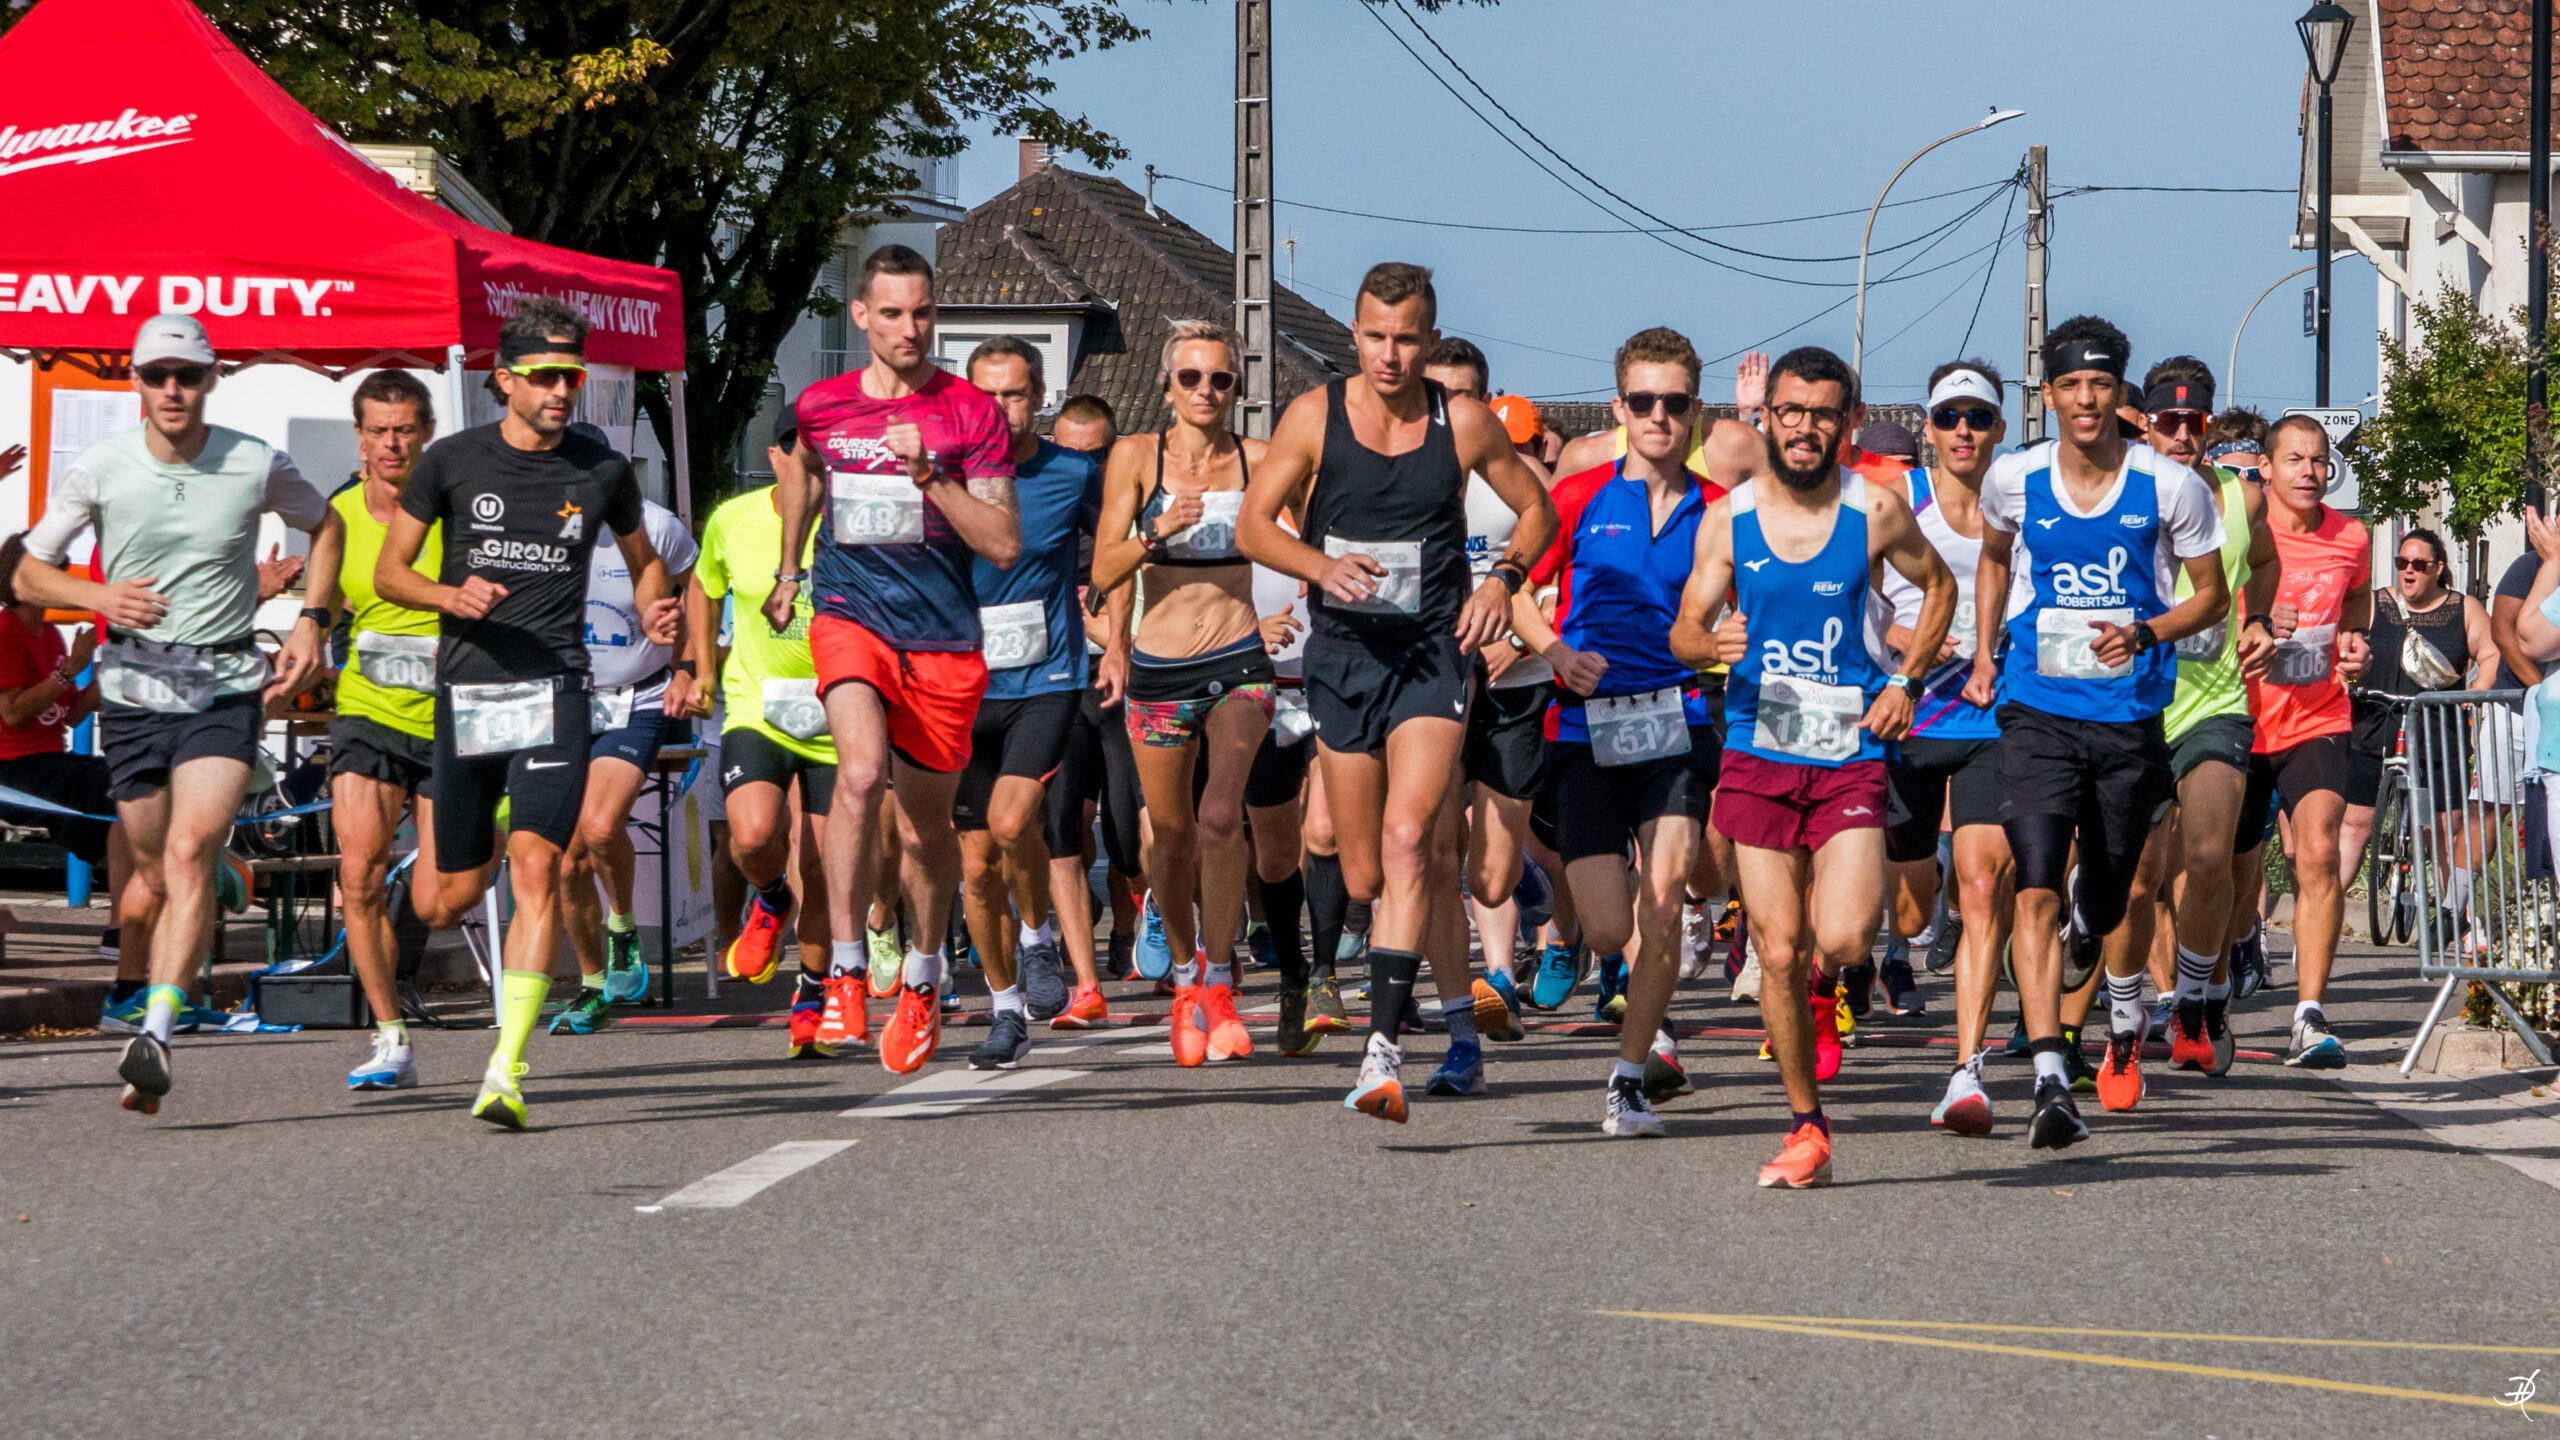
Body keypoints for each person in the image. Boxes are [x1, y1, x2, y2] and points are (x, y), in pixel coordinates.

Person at [1238, 262, 1556, 1122]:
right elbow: (1253, 525)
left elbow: (1538, 510)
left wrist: (1504, 583)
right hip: (1344, 658)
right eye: (1375, 336)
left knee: (1413, 839)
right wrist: (1320, 567)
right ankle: (1455, 1004)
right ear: (1354, 333)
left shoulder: (1463, 422)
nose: (1390, 354)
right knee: (1369, 869)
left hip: (1430, 654)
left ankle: (1381, 1053)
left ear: (1430, 337)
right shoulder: (1315, 415)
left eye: (1407, 339)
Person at [16, 314, 341, 1115]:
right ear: (135, 380)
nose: (172, 389)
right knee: (156, 871)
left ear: (210, 380)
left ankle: (157, 1032)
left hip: (222, 686)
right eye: (158, 374)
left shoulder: (254, 462)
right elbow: (26, 575)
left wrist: (313, 619)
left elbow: (326, 523)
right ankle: (171, 972)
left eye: (187, 375)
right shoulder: (101, 467)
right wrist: (96, 596)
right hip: (133, 693)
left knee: (191, 851)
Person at [377, 297, 674, 1129]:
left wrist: (655, 607)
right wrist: (449, 595)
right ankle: (484, 831)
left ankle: (506, 1068)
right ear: (504, 379)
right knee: (446, 897)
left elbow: (646, 563)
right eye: (545, 377)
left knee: (540, 865)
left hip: (555, 688)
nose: (561, 390)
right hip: (469, 694)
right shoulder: (451, 460)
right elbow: (390, 573)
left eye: (571, 376)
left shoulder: (601, 468)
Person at [1670, 344, 1953, 1184]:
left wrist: (1905, 681)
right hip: (1759, 749)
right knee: (1779, 949)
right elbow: (1684, 629)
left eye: (1822, 414)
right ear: (1768, 417)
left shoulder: (1877, 509)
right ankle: (1807, 1127)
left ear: (1849, 422)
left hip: (1849, 752)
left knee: (1844, 935)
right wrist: (1709, 644)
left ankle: (1831, 991)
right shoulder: (1729, 518)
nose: (1803, 428)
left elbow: (1940, 589)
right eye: (1790, 412)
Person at [1962, 316, 2230, 1148]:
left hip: (2128, 717)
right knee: (2034, 883)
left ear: (2121, 396)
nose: (2086, 399)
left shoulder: (2169, 487)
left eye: (2101, 384)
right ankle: (2049, 1075)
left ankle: (2091, 923)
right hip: (2036, 707)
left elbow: (2212, 597)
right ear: (2048, 394)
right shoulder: (2014, 478)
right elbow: (1994, 559)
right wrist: (1982, 653)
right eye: (2071, 384)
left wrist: (2147, 633)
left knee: (2112, 896)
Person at [770, 244, 1020, 1076]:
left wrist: (931, 478)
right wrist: (789, 569)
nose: (909, 328)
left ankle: (921, 972)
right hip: (851, 617)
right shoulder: (822, 406)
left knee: (923, 829)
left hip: (943, 639)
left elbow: (1003, 543)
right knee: (858, 773)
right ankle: (844, 967)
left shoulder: (971, 414)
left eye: (922, 312)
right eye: (892, 313)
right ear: (862, 316)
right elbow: (804, 475)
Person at [1520, 327, 1732, 1134]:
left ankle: (1631, 1076)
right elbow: (1515, 587)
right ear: (1618, 409)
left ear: (1696, 411)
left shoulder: (1722, 508)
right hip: (1585, 729)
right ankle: (1614, 952)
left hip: (1680, 716)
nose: (1658, 416)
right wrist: (1554, 653)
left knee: (1663, 901)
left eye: (1674, 402)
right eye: (1643, 401)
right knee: (1611, 926)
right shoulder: (1578, 497)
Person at [1091, 319, 1272, 1067]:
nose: (1206, 390)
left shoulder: (1260, 459)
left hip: (1239, 655)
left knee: (1222, 816)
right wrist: (1155, 532)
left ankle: (1221, 979)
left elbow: (1305, 535)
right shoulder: (1138, 456)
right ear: (1168, 387)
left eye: (1220, 379)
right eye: (1191, 378)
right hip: (1161, 667)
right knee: (1168, 838)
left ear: (1237, 389)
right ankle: (1187, 975)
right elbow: (1104, 569)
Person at [1873, 362, 2016, 1129]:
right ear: (1928, 429)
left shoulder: (2018, 507)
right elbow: (1860, 607)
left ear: (1999, 428)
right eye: (1951, 417)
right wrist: (1916, 639)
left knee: (1985, 885)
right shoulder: (1897, 503)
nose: (1965, 430)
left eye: (1979, 417)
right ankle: (1904, 917)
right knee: (1907, 912)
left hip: (1991, 720)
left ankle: (1966, 1071)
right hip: (1910, 719)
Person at [957, 337, 1105, 1069]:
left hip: (1046, 677)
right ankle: (1006, 1008)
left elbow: (1117, 551)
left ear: (1039, 397)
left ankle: (1038, 937)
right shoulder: (944, 477)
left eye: (1014, 394)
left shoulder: (1073, 472)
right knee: (978, 867)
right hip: (960, 686)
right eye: (986, 395)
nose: (1000, 409)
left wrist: (1120, 636)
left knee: (1014, 820)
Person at [2134, 358, 2278, 1083]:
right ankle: (2126, 1001)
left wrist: (2261, 622)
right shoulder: (2119, 495)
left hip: (2215, 703)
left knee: (2210, 855)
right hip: (2133, 706)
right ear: (2146, 425)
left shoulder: (2241, 500)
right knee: (2140, 880)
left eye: (2194, 423)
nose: (2183, 435)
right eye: (2170, 422)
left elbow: (2267, 564)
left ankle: (2196, 1001)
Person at [693, 416, 845, 1054]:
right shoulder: (734, 519)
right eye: (800, 453)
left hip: (839, 714)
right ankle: (771, 897)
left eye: (823, 456)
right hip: (759, 706)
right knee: (752, 836)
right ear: (774, 455)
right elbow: (704, 587)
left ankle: (811, 993)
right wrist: (702, 667)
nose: (812, 467)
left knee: (822, 862)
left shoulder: (849, 523)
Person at [1421, 338, 1554, 1054]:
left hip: (1514, 683)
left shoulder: (1522, 478)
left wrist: (1520, 642)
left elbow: (1559, 587)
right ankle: (1487, 984)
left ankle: (1523, 876)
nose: (1448, 408)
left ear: (1485, 398)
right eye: (1436, 393)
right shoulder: (1404, 471)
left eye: (1463, 395)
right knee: (1435, 843)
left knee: (1492, 878)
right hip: (1434, 681)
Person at [321, 370, 447, 1089]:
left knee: (439, 899)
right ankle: (390, 1034)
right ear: (360, 438)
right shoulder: (336, 516)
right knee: (359, 872)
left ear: (426, 432)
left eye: (404, 430)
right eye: (378, 431)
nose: (392, 444)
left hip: (449, 716)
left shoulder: (455, 509)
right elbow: (326, 603)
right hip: (368, 709)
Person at [546, 479, 698, 1035]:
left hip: (638, 696)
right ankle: (592, 987)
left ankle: (623, 926)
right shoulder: (545, 522)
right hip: (561, 699)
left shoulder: (657, 526)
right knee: (567, 860)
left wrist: (687, 668)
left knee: (601, 825)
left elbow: (700, 596)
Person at [2243, 415, 2371, 1069]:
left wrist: (2353, 641)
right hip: (2238, 718)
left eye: (2319, 460)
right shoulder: (2241, 529)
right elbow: (2199, 605)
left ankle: (2310, 1014)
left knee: (2318, 854)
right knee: (2222, 868)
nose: (2309, 472)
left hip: (2317, 718)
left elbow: (2357, 601)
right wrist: (2257, 618)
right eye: (2294, 459)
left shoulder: (2352, 536)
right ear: (2266, 467)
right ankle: (2203, 987)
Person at [0, 538, 135, 1012]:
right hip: (12, 766)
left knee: (132, 783)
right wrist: (70, 671)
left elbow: (69, 715)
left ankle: (133, 919)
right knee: (113, 795)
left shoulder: (51, 636)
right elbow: (13, 713)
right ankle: (120, 928)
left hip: (46, 757)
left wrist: (105, 676)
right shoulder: (6, 633)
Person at [1041, 394, 1139, 1004]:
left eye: (1094, 455)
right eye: (1067, 453)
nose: (1081, 466)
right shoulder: (1041, 500)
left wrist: (1115, 637)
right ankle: (1079, 949)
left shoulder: (1131, 504)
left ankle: (1129, 924)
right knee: (1066, 820)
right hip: (1059, 679)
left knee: (1130, 836)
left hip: (1121, 677)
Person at [2343, 528, 2493, 906]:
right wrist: (2342, 674)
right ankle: (2322, 910)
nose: (2408, 570)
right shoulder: (2374, 604)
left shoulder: (2463, 609)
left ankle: (2454, 919)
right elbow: (2341, 643)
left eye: (2419, 564)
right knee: (2355, 824)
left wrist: (2477, 690)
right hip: (2374, 726)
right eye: (2402, 563)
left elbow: (2491, 654)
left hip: (2438, 734)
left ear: (2438, 568)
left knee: (2443, 827)